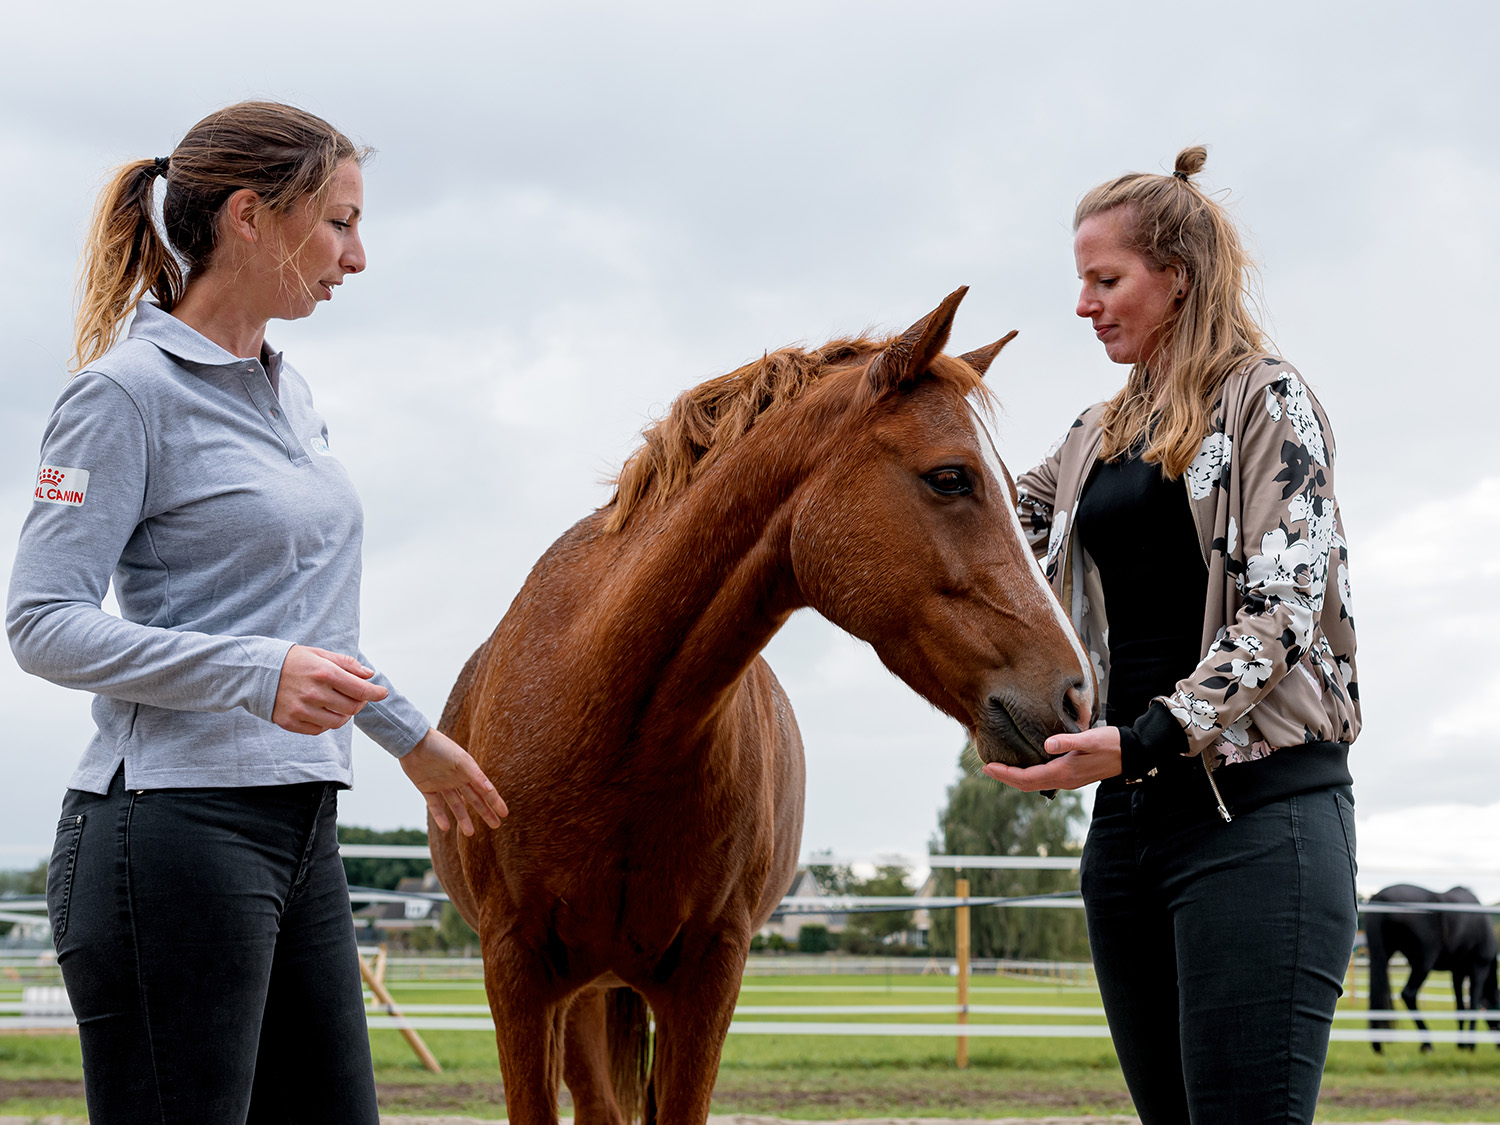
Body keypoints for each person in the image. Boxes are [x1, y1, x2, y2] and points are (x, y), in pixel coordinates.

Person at [7, 102, 508, 1124]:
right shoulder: (122, 396)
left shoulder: (292, 394)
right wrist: (255, 671)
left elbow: (311, 629)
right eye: (338, 222)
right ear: (250, 217)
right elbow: (41, 621)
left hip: (303, 825)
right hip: (170, 833)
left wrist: (414, 741)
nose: (356, 257)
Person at [983, 146, 1360, 1124]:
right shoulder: (1090, 438)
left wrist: (1145, 736)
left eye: (1105, 280)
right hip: (1126, 835)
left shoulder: (1269, 401)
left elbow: (1282, 608)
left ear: (1177, 275)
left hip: (1258, 825)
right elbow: (979, 535)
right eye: (1081, 283)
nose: (1084, 305)